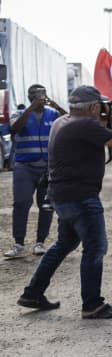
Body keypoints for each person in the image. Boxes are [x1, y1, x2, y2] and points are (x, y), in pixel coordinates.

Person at [17, 86, 112, 318]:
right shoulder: (86, 125)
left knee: (64, 244)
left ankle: (33, 292)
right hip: (81, 197)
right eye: (99, 105)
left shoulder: (63, 122)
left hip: (62, 194)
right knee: (95, 248)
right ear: (92, 107)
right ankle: (92, 304)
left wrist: (104, 116)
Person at [6, 84, 64, 258]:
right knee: (21, 204)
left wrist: (57, 106)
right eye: (37, 96)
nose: (41, 98)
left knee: (46, 205)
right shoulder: (19, 113)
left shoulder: (52, 114)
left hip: (47, 168)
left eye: (43, 95)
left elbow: (70, 121)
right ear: (30, 97)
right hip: (25, 167)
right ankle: (18, 243)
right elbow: (14, 128)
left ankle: (40, 243)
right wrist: (30, 109)